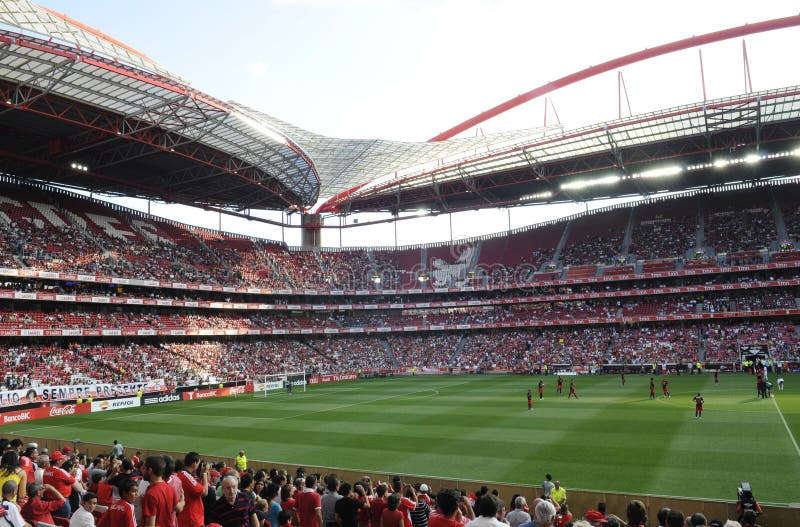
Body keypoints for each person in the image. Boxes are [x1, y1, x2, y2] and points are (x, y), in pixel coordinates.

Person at [142, 455, 184, 527]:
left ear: (150, 471)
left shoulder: (151, 493)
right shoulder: (170, 488)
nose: (141, 470)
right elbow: (179, 508)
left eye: (144, 468)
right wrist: (183, 499)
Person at [177, 452, 209, 527]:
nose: (199, 465)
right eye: (198, 463)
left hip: (188, 518)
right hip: (192, 519)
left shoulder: (183, 474)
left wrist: (201, 475)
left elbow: (198, 488)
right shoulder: (186, 476)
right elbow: (205, 492)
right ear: (194, 463)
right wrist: (205, 474)